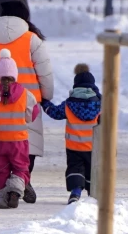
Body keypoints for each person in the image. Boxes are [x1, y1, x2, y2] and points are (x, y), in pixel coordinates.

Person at [0, 0, 53, 204]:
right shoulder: (32, 39)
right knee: (26, 151)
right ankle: (20, 182)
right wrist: (46, 96)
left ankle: (6, 189)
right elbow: (44, 71)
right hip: (27, 101)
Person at [41, 64, 102, 204]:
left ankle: (76, 192)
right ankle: (93, 196)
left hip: (74, 146)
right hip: (94, 147)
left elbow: (55, 113)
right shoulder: (100, 103)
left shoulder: (69, 104)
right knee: (92, 170)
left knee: (75, 168)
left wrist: (45, 103)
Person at [0, 49, 39, 209]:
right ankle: (16, 191)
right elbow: (32, 115)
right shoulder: (25, 94)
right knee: (20, 168)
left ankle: (1, 196)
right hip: (19, 141)